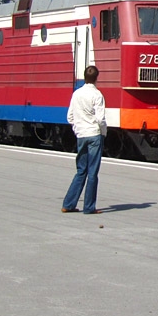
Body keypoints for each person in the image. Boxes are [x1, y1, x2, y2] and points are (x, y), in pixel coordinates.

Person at [62, 65, 107, 214]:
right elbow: (100, 119)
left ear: (84, 77)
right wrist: (103, 132)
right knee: (92, 172)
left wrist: (77, 129)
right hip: (94, 135)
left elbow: (70, 117)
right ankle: (89, 207)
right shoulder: (97, 95)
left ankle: (68, 204)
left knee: (81, 170)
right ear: (96, 78)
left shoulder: (76, 94)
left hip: (81, 135)